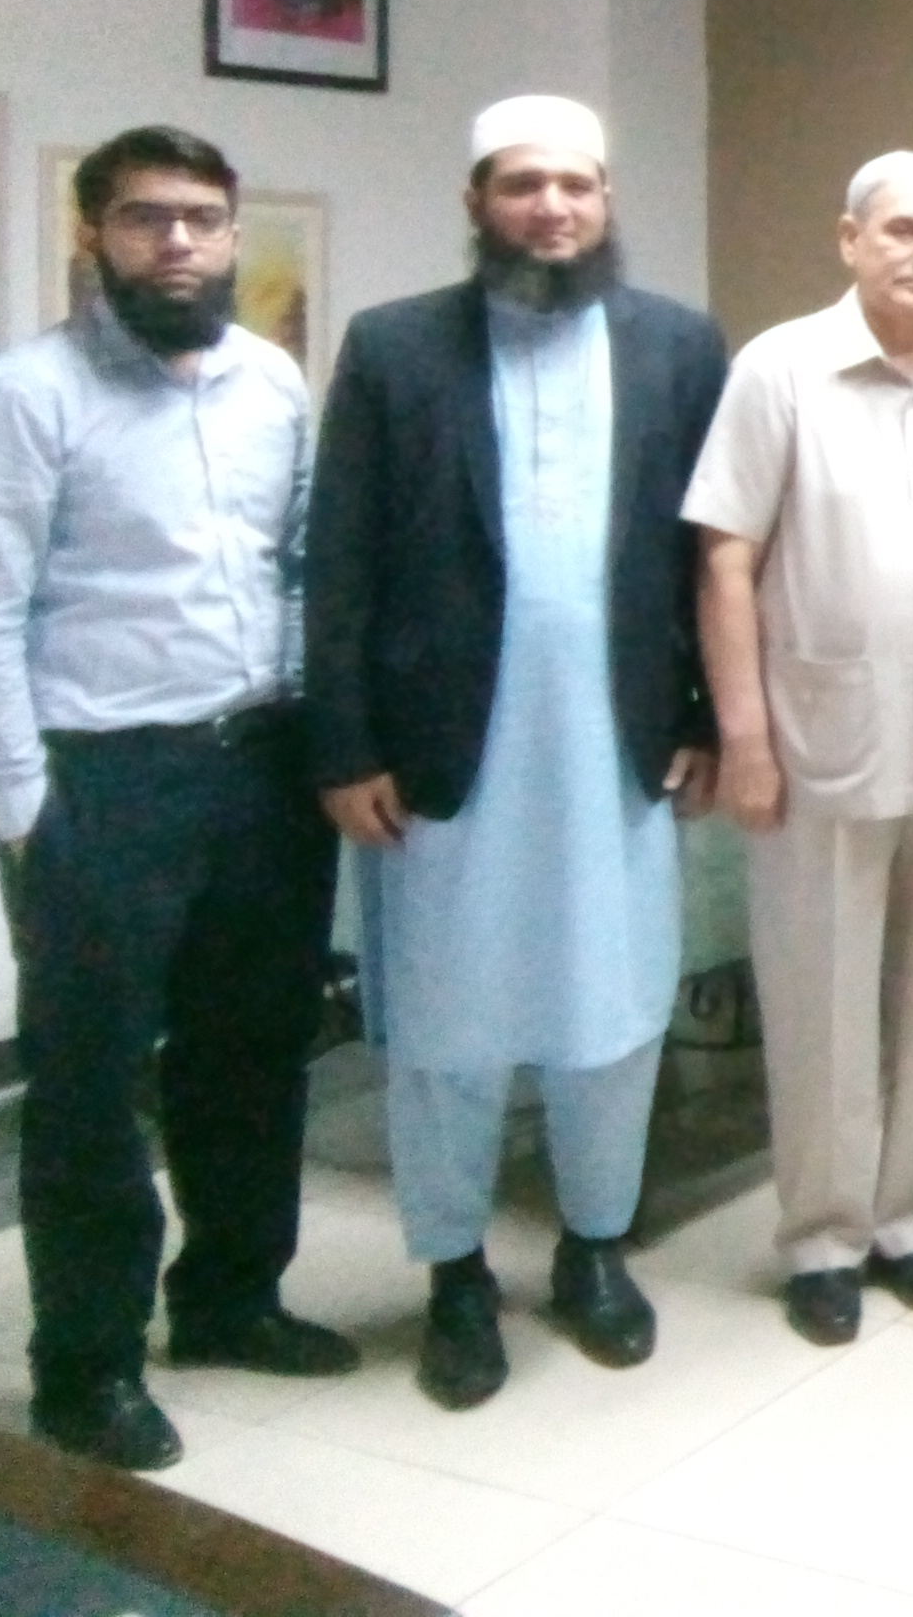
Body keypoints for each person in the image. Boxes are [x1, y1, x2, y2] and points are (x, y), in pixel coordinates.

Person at [307, 96, 729, 1410]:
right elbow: (340, 559)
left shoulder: (677, 345)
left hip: (618, 743)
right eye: (522, 184)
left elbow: (712, 556)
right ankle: (454, 1272)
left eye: (576, 185)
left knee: (615, 1007)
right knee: (447, 1024)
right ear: (477, 200)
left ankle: (596, 1248)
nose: (553, 208)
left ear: (607, 200)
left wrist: (711, 719)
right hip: (448, 752)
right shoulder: (395, 348)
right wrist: (345, 745)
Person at [0, 127, 351, 1470]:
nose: (177, 241)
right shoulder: (22, 398)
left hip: (262, 770)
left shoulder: (271, 382)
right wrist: (25, 811)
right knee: (91, 1082)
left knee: (253, 1050)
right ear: (94, 238)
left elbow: (298, 568)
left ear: (232, 234)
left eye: (201, 219)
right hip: (102, 783)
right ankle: (87, 1365)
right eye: (144, 218)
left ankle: (230, 1299)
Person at [687, 152, 913, 1347]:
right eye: (903, 230)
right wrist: (743, 734)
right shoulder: (780, 368)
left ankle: (912, 1222)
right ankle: (825, 1236)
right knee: (821, 1006)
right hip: (817, 744)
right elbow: (727, 556)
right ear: (850, 238)